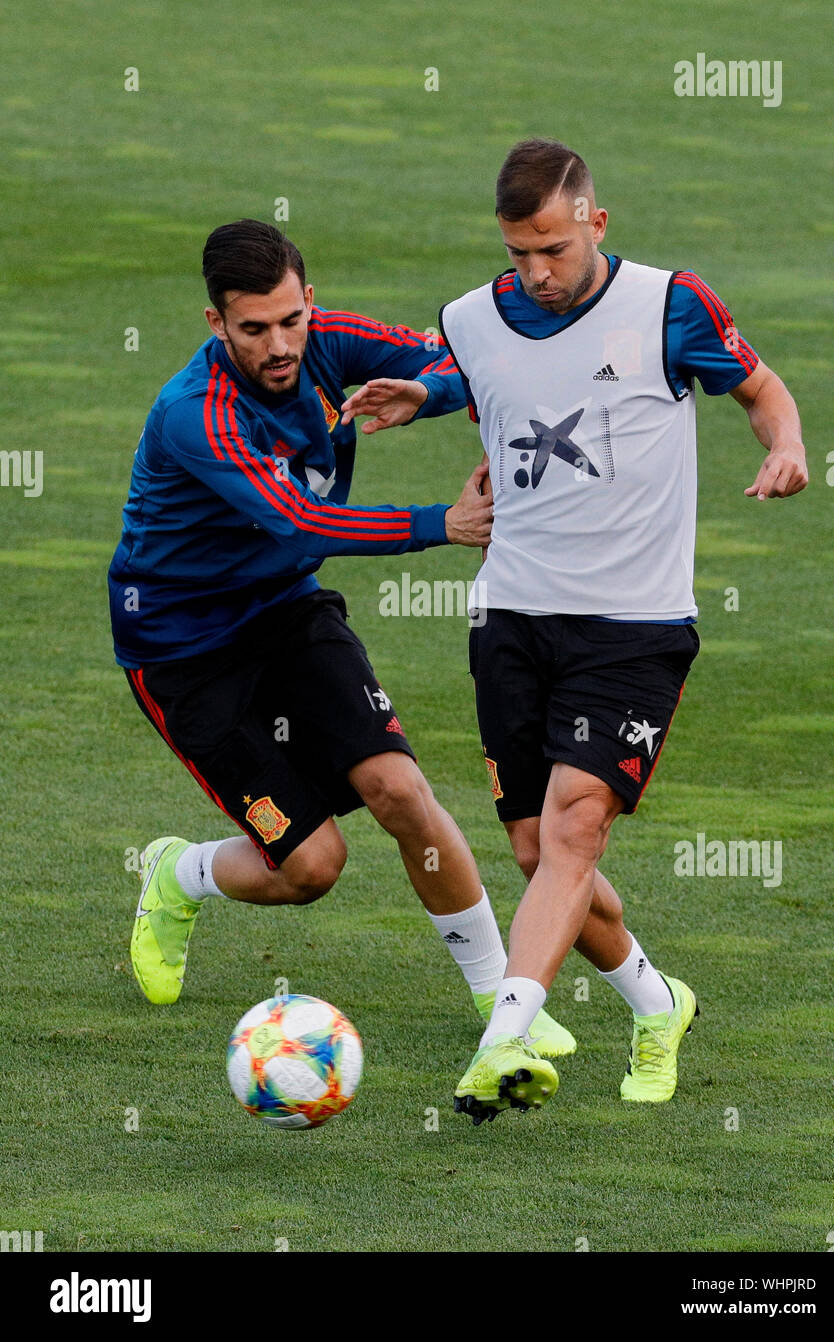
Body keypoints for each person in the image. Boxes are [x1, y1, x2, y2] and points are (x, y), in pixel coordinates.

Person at [353, 140, 808, 1122]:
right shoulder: (471, 318)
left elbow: (759, 390)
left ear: (594, 223)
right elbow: (478, 375)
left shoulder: (668, 305)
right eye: (518, 253)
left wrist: (785, 446)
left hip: (633, 628)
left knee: (570, 831)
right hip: (510, 614)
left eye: (553, 249)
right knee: (533, 850)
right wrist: (418, 394)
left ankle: (501, 1040)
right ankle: (657, 1001)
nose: (536, 273)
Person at [108, 218, 575, 1061]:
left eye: (292, 320)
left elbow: (457, 361)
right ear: (217, 325)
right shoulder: (196, 413)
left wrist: (422, 392)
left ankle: (504, 1008)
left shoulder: (330, 341)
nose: (281, 345)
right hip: (185, 651)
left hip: (286, 611)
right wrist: (445, 523)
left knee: (400, 789)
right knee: (311, 867)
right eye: (255, 329)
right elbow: (298, 520)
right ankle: (179, 873)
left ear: (309, 301)